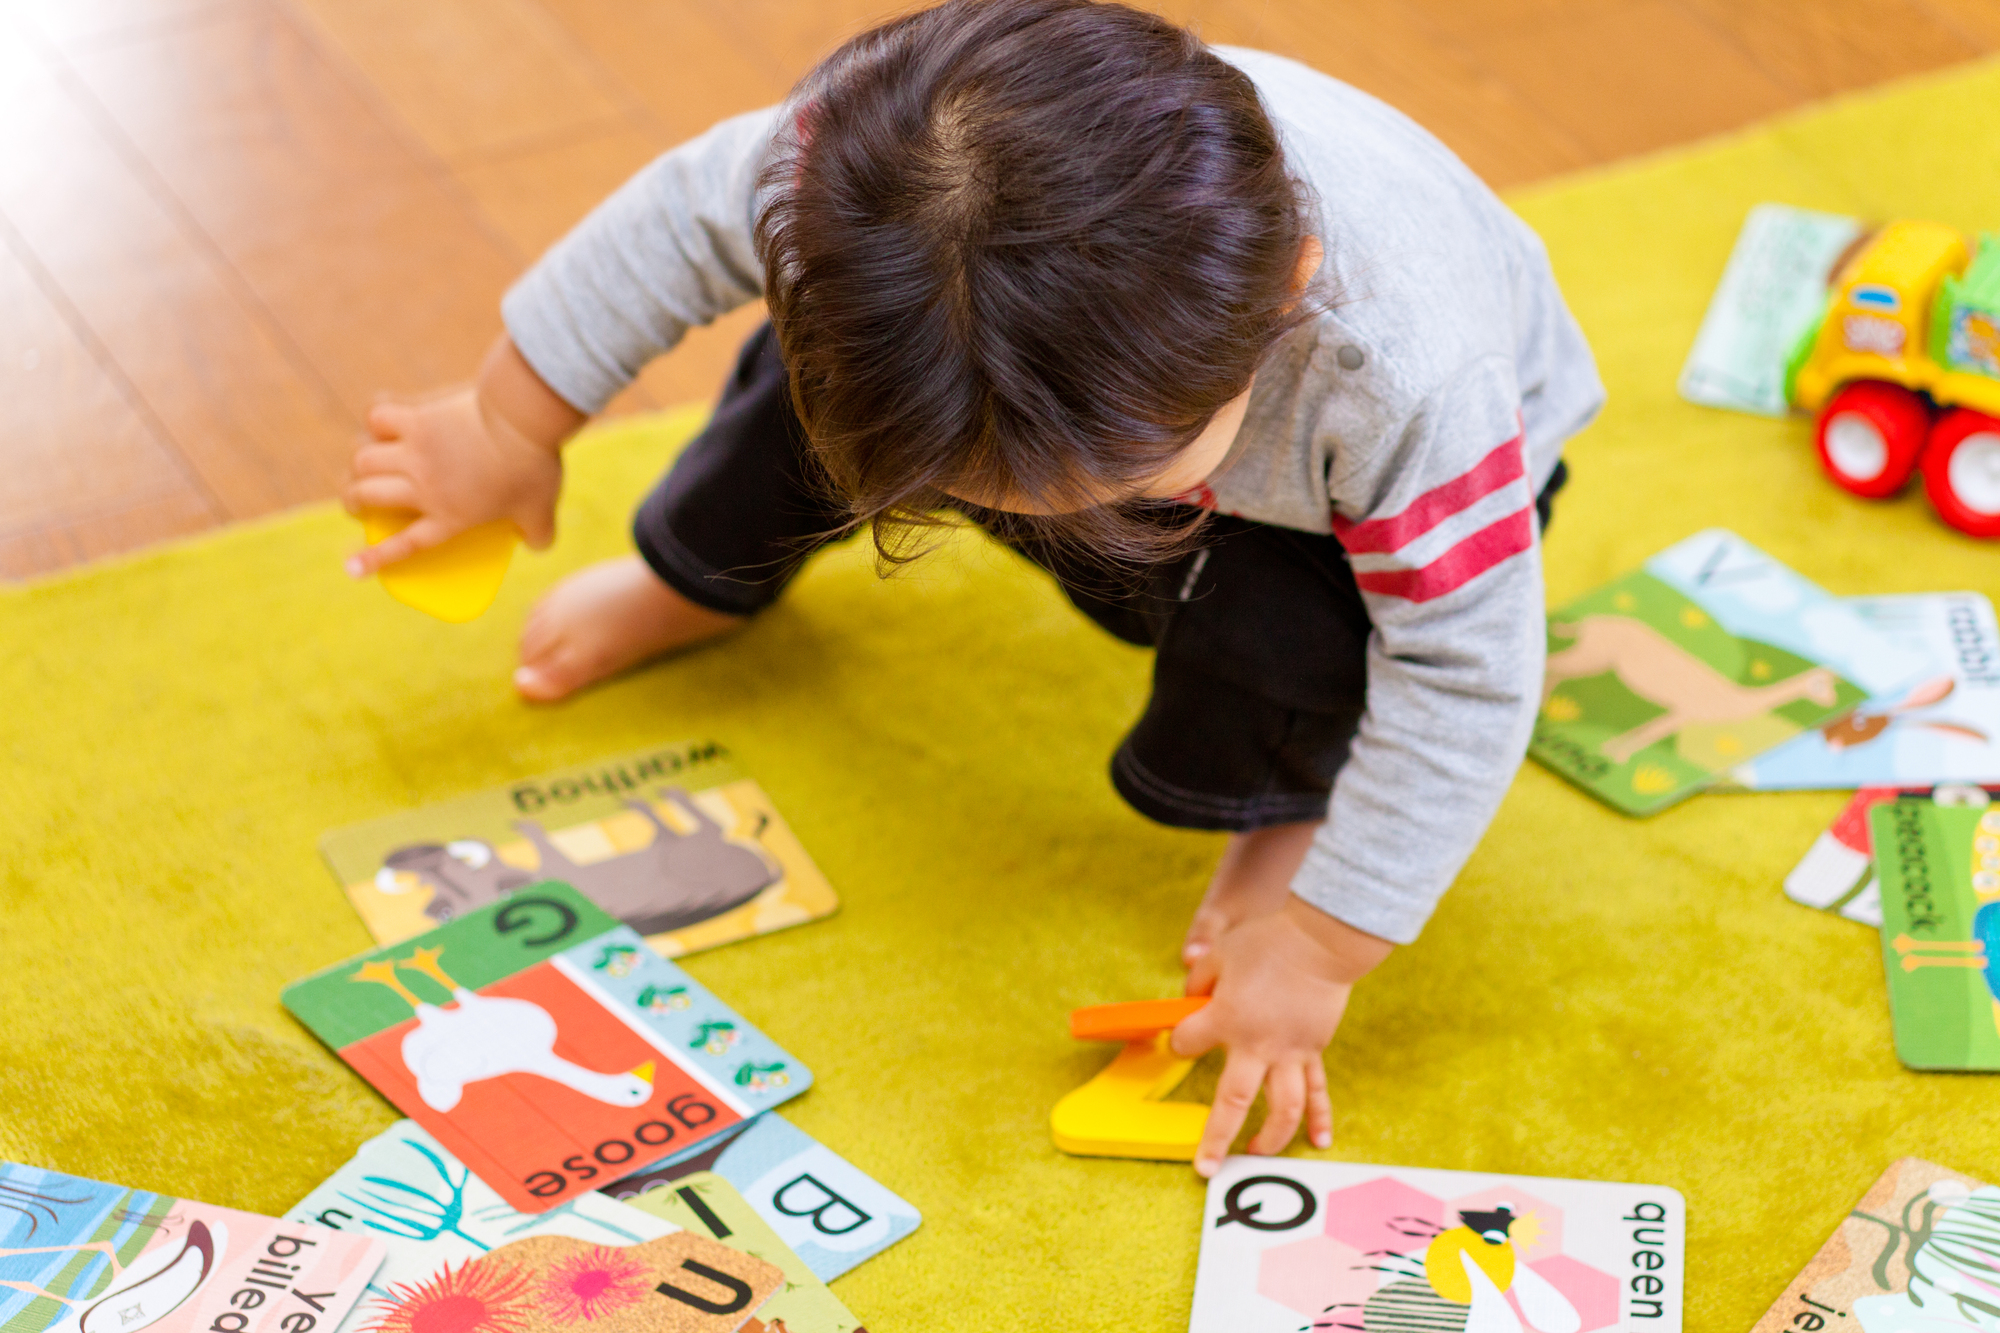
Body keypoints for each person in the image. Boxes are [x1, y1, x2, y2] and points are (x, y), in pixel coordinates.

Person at [340, 0, 1602, 1177]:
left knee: (1289, 650)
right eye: (998, 491)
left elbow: (1462, 667)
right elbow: (670, 226)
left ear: (1281, 300)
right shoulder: (851, 189)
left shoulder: (1403, 378)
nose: (1017, 517)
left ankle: (1284, 807)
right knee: (813, 397)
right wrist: (509, 422)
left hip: (1325, 526)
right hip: (1007, 385)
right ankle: (701, 576)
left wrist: (1329, 940)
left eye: (1090, 477)